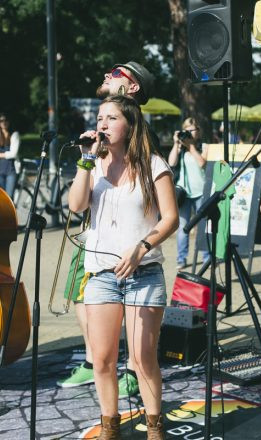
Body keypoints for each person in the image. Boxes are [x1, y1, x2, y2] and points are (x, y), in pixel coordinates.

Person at [68, 94, 178, 439]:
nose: (102, 124)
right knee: (101, 360)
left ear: (129, 124)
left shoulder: (153, 165)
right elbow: (76, 205)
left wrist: (142, 247)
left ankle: (154, 427)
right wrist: (85, 161)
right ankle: (109, 427)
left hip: (143, 273)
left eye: (111, 118)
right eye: (100, 117)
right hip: (101, 273)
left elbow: (171, 218)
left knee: (142, 358)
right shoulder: (93, 164)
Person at [57, 61, 156, 397]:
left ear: (132, 89)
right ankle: (95, 360)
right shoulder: (99, 142)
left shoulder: (141, 140)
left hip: (127, 249)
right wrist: (87, 160)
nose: (106, 77)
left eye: (115, 75)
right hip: (94, 235)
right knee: (79, 294)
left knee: (116, 303)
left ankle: (128, 367)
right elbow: (77, 203)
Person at [168, 117, 209, 270]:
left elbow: (202, 163)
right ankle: (181, 259)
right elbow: (171, 163)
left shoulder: (204, 146)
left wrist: (191, 147)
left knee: (203, 226)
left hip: (201, 192)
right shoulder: (181, 148)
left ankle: (206, 257)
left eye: (193, 130)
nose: (190, 133)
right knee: (183, 227)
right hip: (183, 193)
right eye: (187, 130)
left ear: (198, 131)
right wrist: (176, 144)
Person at [0, 113, 20, 200]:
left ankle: (11, 213)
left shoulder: (14, 134)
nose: (4, 122)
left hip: (11, 171)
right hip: (0, 171)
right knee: (2, 198)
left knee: (9, 198)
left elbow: (13, 153)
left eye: (5, 120)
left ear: (9, 122)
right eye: (1, 121)